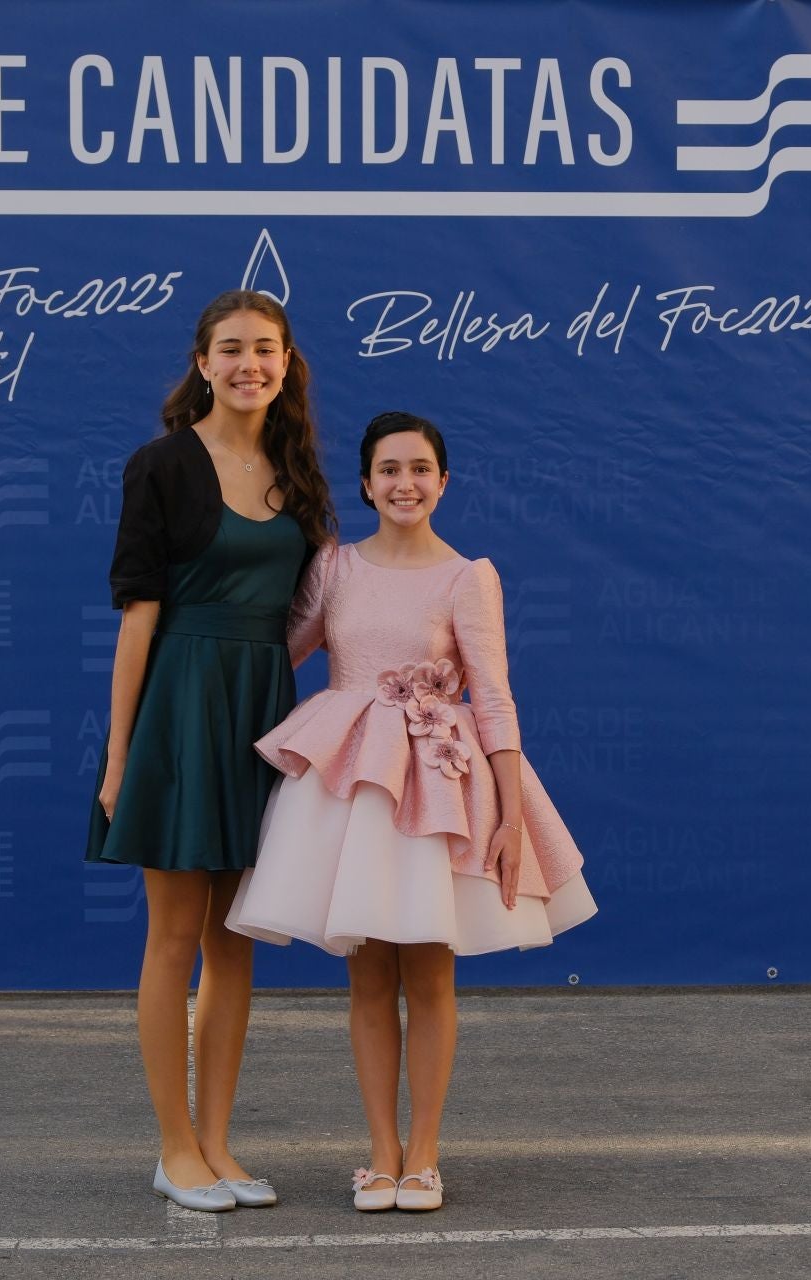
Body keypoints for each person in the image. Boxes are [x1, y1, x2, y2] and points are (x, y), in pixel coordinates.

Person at [227, 411, 597, 1213]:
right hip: (354, 790)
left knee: (430, 974)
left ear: (443, 481)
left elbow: (492, 697)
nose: (405, 483)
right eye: (389, 470)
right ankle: (381, 1156)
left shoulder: (469, 576)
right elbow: (275, 650)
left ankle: (424, 1157)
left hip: (438, 787)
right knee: (367, 980)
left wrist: (505, 814)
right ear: (365, 483)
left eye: (421, 469)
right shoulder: (333, 567)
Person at [86, 290, 335, 1212]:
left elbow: (315, 615)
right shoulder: (160, 466)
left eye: (265, 350)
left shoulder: (298, 472)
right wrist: (119, 760)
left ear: (286, 362)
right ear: (201, 362)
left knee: (236, 944)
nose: (249, 366)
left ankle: (219, 1145)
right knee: (175, 937)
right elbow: (138, 618)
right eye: (230, 349)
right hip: (180, 714)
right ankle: (173, 1148)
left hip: (261, 718)